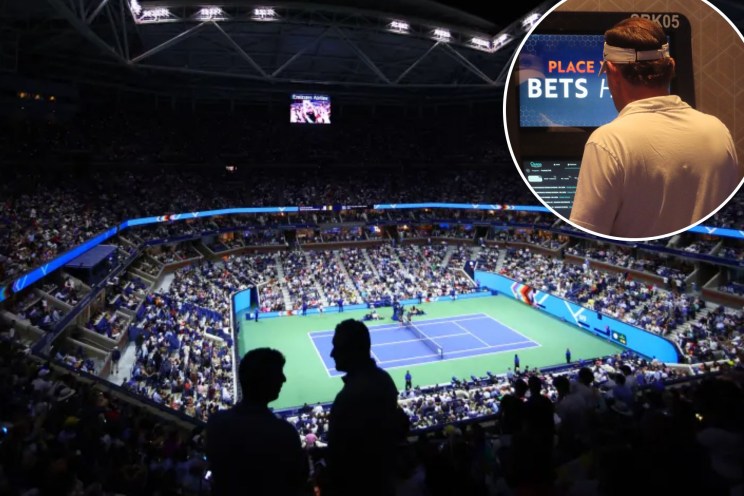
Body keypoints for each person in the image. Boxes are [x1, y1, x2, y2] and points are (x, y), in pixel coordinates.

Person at [570, 17, 742, 238]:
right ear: (671, 66)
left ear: (612, 71)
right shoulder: (718, 132)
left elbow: (585, 237)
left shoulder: (608, 141)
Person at [206, 348, 308, 496]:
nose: (283, 379)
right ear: (264, 380)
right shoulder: (284, 433)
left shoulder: (215, 423)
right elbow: (295, 482)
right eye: (278, 374)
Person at [326, 319, 408, 496]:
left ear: (352, 351)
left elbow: (339, 458)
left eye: (337, 347)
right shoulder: (385, 380)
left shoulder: (348, 398)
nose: (332, 354)